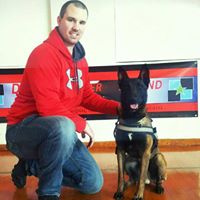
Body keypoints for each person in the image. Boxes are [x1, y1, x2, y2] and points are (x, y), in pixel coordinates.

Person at [5, 1, 120, 200]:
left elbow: (87, 96)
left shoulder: (80, 60)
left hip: (58, 132)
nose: (76, 27)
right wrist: (82, 124)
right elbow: (47, 107)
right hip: (22, 131)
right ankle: (49, 193)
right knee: (65, 126)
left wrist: (120, 108)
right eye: (71, 19)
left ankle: (29, 165)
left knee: (92, 183)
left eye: (82, 22)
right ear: (59, 21)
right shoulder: (43, 54)